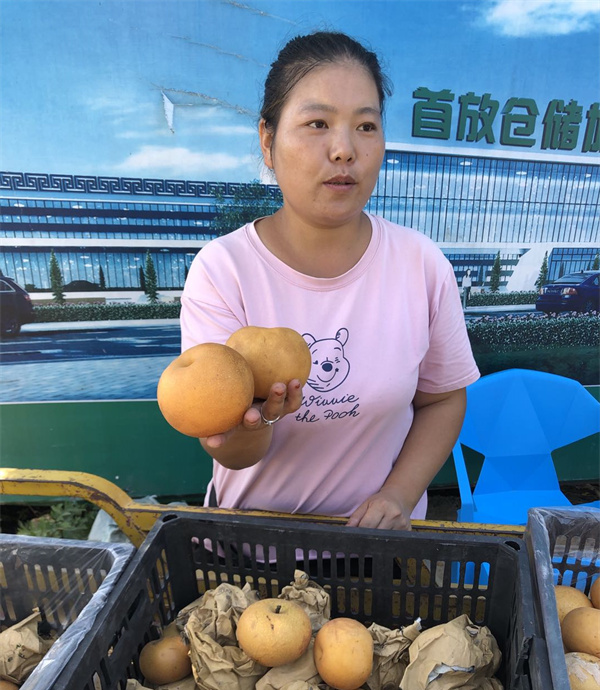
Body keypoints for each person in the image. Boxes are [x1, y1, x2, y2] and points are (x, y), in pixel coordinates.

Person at [180, 31, 480, 530]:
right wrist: (255, 421)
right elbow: (231, 452)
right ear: (268, 140)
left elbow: (443, 398)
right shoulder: (224, 270)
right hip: (254, 551)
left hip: (380, 548)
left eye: (366, 126)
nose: (344, 150)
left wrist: (399, 495)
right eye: (317, 123)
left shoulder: (421, 264)